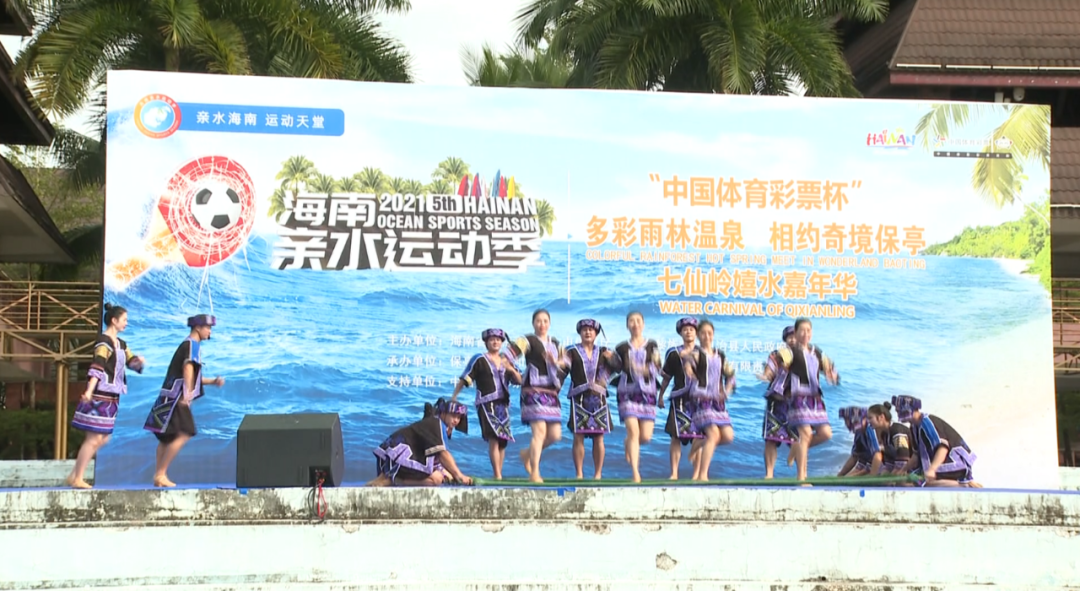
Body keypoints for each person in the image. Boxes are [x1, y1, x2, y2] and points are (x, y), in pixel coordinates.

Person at [66, 304, 146, 489]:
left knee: (103, 439)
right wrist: (89, 390)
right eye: (124, 319)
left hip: (112, 397)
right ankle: (77, 478)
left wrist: (138, 362)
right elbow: (98, 366)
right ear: (114, 320)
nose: (126, 323)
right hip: (99, 395)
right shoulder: (104, 342)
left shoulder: (121, 344)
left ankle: (74, 475)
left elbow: (131, 363)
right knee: (93, 439)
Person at [142, 314, 224, 487]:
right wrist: (187, 395)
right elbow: (188, 368)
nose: (210, 331)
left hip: (167, 396)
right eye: (208, 328)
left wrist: (212, 381)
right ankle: (161, 474)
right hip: (177, 398)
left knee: (166, 438)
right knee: (186, 432)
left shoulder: (187, 344)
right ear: (198, 328)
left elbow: (193, 376)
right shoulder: (192, 345)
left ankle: (158, 476)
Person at [451, 328, 521, 480]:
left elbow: (520, 380)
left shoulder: (506, 360)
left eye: (498, 340)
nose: (495, 342)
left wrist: (511, 369)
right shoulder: (479, 359)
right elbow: (465, 378)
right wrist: (454, 396)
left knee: (503, 440)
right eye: (491, 339)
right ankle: (497, 475)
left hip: (503, 405)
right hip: (486, 403)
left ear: (502, 343)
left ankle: (499, 474)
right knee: (494, 437)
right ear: (486, 343)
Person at [508, 308, 566, 483]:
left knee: (555, 435)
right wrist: (512, 370)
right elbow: (510, 354)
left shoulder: (555, 343)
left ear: (549, 323)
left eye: (545, 321)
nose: (542, 324)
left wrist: (555, 361)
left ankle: (527, 454)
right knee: (539, 432)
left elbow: (565, 363)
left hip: (551, 393)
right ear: (533, 323)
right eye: (538, 321)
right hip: (532, 391)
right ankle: (534, 473)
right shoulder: (527, 340)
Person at [559, 318, 621, 480]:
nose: (587, 332)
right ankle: (579, 474)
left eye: (591, 330)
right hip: (579, 399)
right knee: (578, 436)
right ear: (580, 333)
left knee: (598, 437)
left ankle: (598, 474)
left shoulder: (604, 351)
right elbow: (561, 371)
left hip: (599, 399)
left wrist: (613, 358)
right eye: (584, 329)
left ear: (596, 333)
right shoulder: (571, 351)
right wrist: (554, 391)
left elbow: (619, 368)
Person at [367, 398, 473, 487]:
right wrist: (459, 476)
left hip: (390, 458)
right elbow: (443, 454)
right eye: (453, 416)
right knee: (436, 479)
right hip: (396, 460)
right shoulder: (437, 424)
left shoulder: (435, 423)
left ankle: (387, 478)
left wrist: (448, 473)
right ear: (444, 413)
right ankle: (393, 480)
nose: (456, 420)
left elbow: (433, 457)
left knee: (440, 476)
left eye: (459, 417)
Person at [783, 317, 838, 482]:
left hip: (815, 400)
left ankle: (796, 447)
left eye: (808, 330)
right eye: (802, 330)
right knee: (805, 434)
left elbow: (829, 368)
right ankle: (801, 478)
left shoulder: (816, 352)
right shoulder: (790, 351)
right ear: (796, 332)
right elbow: (781, 363)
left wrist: (831, 374)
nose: (805, 333)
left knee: (826, 434)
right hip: (798, 398)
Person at [611, 311, 662, 483]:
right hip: (627, 392)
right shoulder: (621, 347)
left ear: (643, 324)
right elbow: (616, 368)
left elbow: (658, 367)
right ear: (627, 325)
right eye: (631, 321)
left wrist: (643, 369)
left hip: (648, 393)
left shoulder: (652, 345)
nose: (635, 324)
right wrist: (610, 360)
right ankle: (635, 474)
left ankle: (628, 442)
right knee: (634, 432)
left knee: (645, 437)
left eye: (638, 320)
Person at [893, 395, 982, 488]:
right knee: (909, 480)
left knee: (925, 484)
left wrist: (932, 469)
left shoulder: (927, 423)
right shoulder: (914, 427)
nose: (897, 413)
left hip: (954, 462)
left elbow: (943, 448)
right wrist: (903, 470)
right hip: (940, 463)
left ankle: (963, 485)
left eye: (898, 410)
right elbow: (917, 454)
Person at [688, 319, 736, 481]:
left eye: (709, 333)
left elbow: (731, 375)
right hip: (701, 400)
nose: (706, 336)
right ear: (698, 336)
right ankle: (703, 475)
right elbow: (688, 367)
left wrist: (727, 391)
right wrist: (689, 372)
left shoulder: (720, 355)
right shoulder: (695, 354)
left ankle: (697, 444)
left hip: (717, 402)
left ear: (713, 335)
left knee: (728, 436)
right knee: (714, 435)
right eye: (703, 333)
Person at [658, 317, 703, 480]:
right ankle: (674, 473)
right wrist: (660, 396)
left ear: (696, 333)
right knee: (675, 437)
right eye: (685, 330)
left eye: (691, 329)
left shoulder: (704, 353)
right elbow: (667, 377)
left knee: (698, 438)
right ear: (680, 333)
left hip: (699, 401)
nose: (688, 332)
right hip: (679, 400)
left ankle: (697, 475)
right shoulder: (673, 353)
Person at [758, 326, 796, 479]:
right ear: (785, 340)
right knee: (771, 439)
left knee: (798, 441)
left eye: (795, 336)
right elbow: (770, 370)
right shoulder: (776, 355)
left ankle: (802, 477)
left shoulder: (806, 357)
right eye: (789, 337)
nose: (793, 339)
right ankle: (769, 474)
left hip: (796, 404)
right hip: (776, 402)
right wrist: (766, 375)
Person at [867, 401, 912, 479]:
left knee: (894, 482)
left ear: (881, 417)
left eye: (870, 418)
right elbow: (889, 463)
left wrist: (888, 479)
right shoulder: (884, 434)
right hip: (901, 465)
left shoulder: (897, 432)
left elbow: (903, 462)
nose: (868, 421)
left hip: (912, 467)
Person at [836, 406, 878, 477]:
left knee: (848, 480)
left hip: (876, 466)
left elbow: (877, 457)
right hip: (864, 465)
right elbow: (854, 457)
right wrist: (840, 475)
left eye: (847, 420)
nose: (846, 424)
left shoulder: (870, 430)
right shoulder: (858, 432)